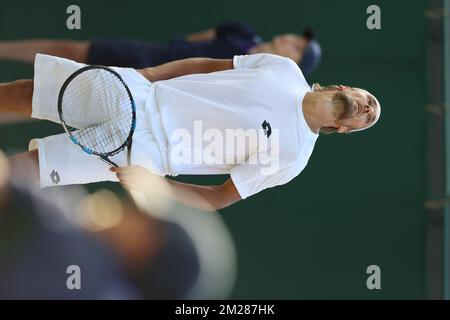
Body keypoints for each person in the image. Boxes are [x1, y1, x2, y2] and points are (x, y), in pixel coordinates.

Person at [0, 52, 381, 212]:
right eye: (368, 100)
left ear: (344, 129)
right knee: (24, 93)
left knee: (26, 172)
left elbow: (220, 198)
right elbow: (206, 64)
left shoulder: (293, 157)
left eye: (369, 119)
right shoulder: (283, 68)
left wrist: (153, 184)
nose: (367, 108)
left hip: (142, 153)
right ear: (346, 88)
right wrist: (147, 76)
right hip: (140, 94)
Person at [0, 22, 322, 75]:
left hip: (145, 89)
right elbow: (194, 40)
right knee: (69, 48)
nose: (292, 40)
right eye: (298, 37)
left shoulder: (256, 78)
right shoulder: (241, 31)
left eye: (299, 48)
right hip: (147, 55)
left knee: (45, 97)